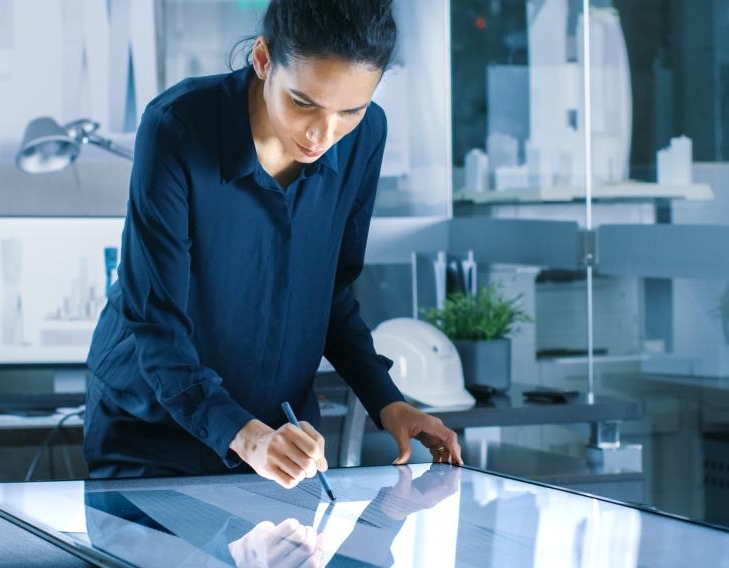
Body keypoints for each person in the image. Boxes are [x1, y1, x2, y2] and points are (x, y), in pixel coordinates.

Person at [84, 0, 463, 487]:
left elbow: (329, 293)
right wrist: (246, 438)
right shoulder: (177, 127)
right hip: (153, 430)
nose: (322, 133)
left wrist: (389, 402)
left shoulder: (365, 136)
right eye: (303, 102)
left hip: (281, 434)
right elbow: (156, 322)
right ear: (263, 60)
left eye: (350, 110)